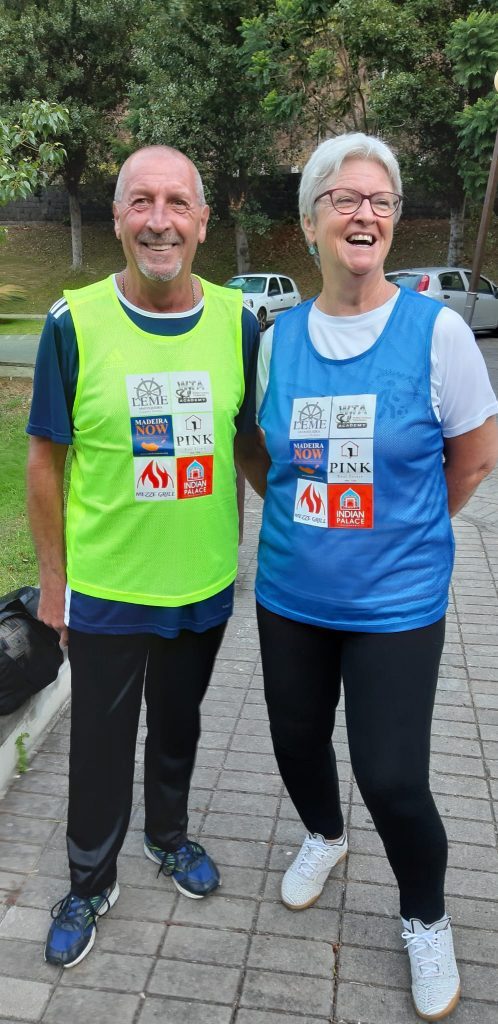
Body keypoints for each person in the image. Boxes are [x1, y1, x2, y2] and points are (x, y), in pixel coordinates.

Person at [253, 133, 498, 1021]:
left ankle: (426, 918)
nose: (365, 213)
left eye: (381, 201)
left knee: (393, 777)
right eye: (344, 199)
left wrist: (404, 530)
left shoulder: (437, 333)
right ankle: (324, 834)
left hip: (396, 603)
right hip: (289, 594)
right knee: (291, 741)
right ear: (311, 221)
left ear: (393, 221)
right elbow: (264, 455)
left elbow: (473, 458)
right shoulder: (276, 340)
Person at [26, 145, 263, 968]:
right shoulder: (73, 323)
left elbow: (248, 442)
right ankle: (90, 881)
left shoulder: (240, 321)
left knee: (180, 730)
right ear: (119, 218)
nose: (158, 219)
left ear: (202, 221)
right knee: (98, 747)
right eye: (140, 202)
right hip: (106, 589)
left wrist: (313, 518)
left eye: (176, 203)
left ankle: (169, 837)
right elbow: (44, 461)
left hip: (202, 585)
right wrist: (54, 582)